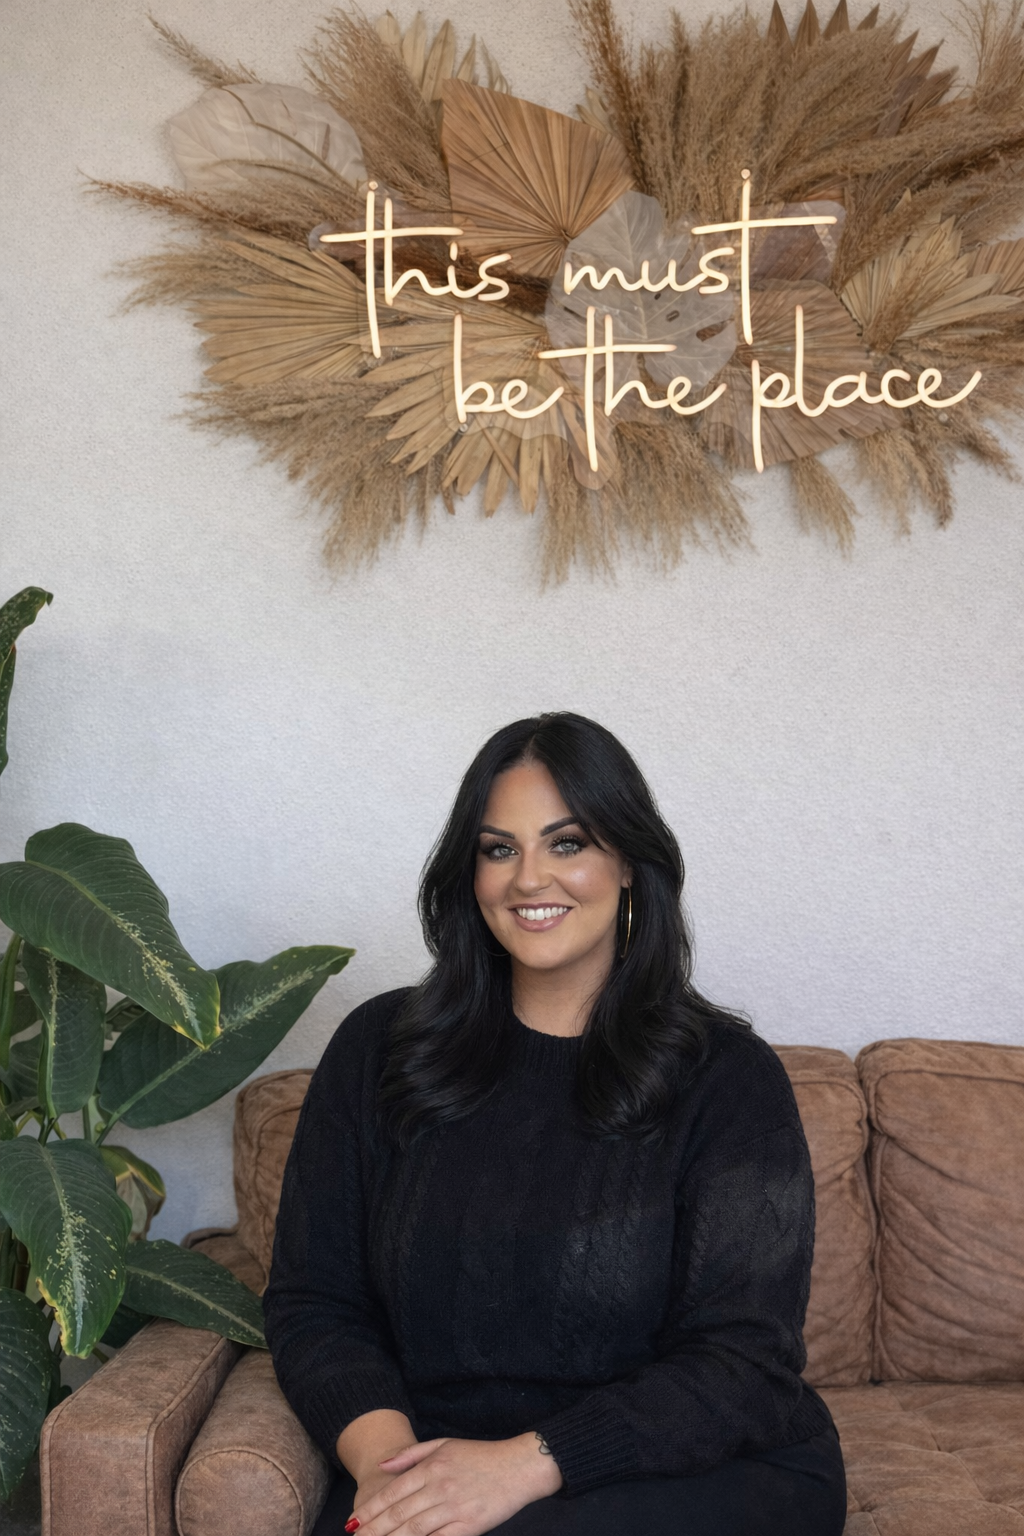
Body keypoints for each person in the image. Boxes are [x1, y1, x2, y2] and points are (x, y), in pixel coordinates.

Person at [264, 713, 847, 1536]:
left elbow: (743, 1365)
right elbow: (314, 1303)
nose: (529, 877)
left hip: (685, 1475)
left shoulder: (728, 1078)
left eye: (567, 844)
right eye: (499, 849)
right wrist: (395, 1474)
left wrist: (521, 1468)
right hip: (433, 1460)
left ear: (630, 866)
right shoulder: (378, 1050)